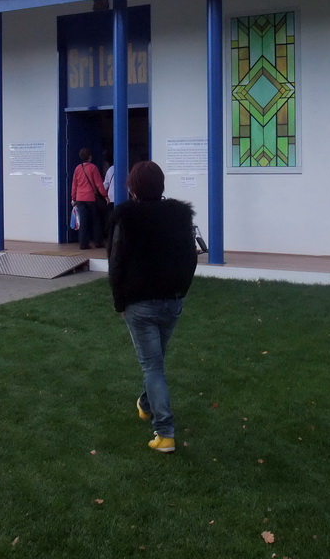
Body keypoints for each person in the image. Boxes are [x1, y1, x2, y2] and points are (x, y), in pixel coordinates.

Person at [107, 160, 198, 454]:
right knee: (155, 363)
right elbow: (191, 256)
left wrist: (119, 302)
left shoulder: (126, 218)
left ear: (132, 187)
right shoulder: (179, 216)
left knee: (153, 366)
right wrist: (180, 290)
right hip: (171, 301)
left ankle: (165, 432)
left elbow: (117, 262)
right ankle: (146, 404)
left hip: (141, 303)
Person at [71, 148, 108, 250]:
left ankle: (83, 244)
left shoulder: (77, 168)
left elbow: (74, 185)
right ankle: (98, 242)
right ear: (90, 157)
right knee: (96, 220)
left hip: (80, 198)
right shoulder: (93, 168)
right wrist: (105, 196)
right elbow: (99, 184)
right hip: (90, 198)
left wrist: (73, 198)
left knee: (83, 221)